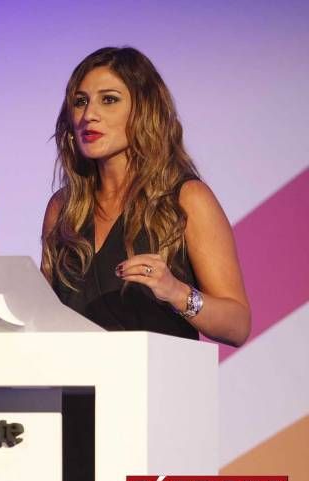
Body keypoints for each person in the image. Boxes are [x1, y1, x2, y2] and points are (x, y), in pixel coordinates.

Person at [41, 47, 250, 347]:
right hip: (74, 388)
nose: (89, 115)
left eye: (109, 100)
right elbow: (44, 316)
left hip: (155, 389)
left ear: (144, 109)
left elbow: (238, 324)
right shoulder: (63, 208)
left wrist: (177, 292)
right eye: (80, 102)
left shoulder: (187, 198)